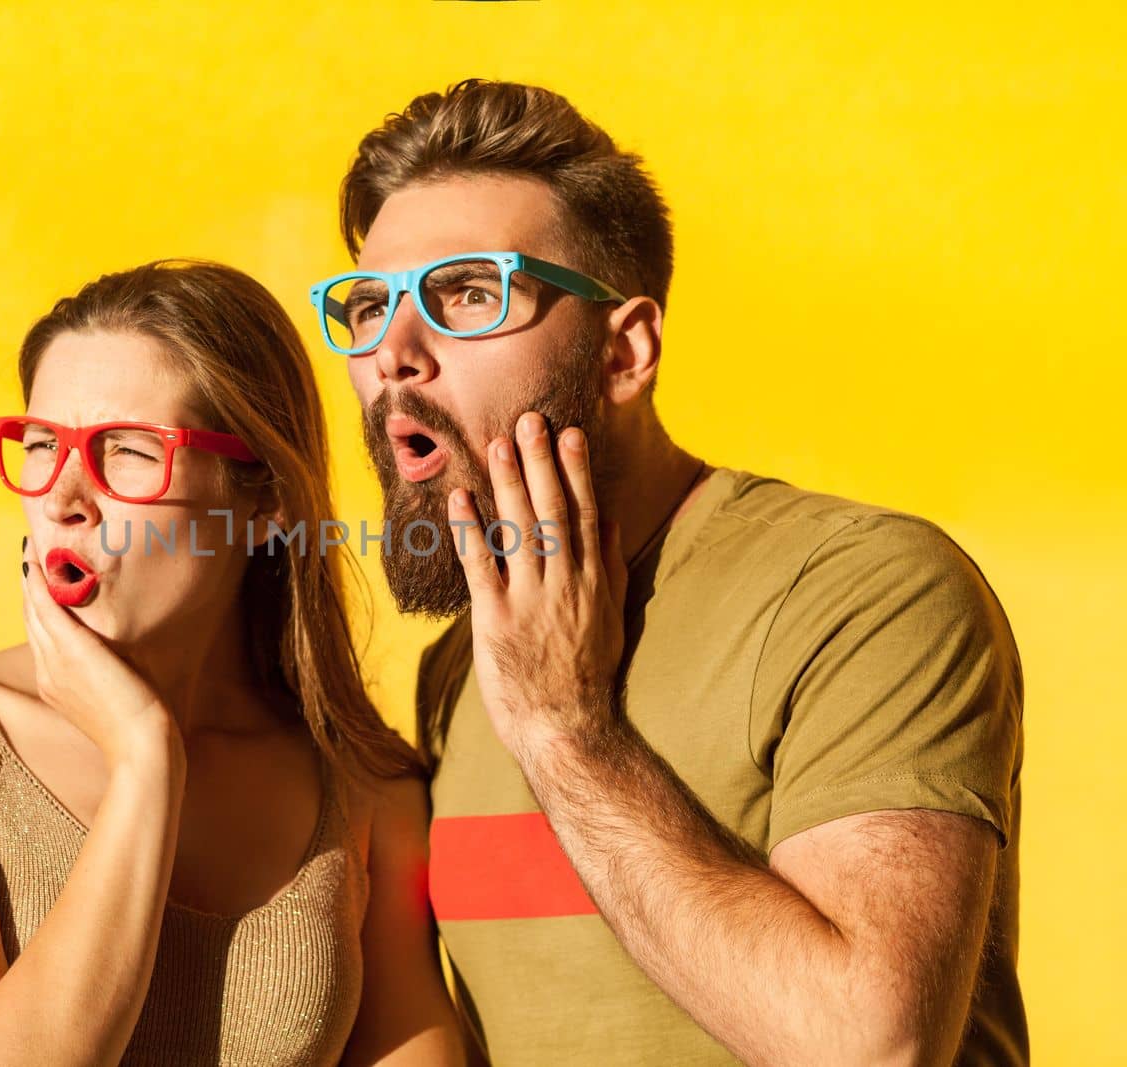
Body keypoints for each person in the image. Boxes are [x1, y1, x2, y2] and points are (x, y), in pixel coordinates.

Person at [321, 79, 1025, 1065]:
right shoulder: (463, 661)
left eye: (467, 293)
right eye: (365, 305)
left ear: (624, 351)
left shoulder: (860, 589)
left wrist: (568, 733)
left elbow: (869, 1046)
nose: (393, 353)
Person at [0, 260, 466, 1066]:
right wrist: (145, 759)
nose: (63, 497)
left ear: (265, 502)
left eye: (126, 451)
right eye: (44, 443)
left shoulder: (365, 788)